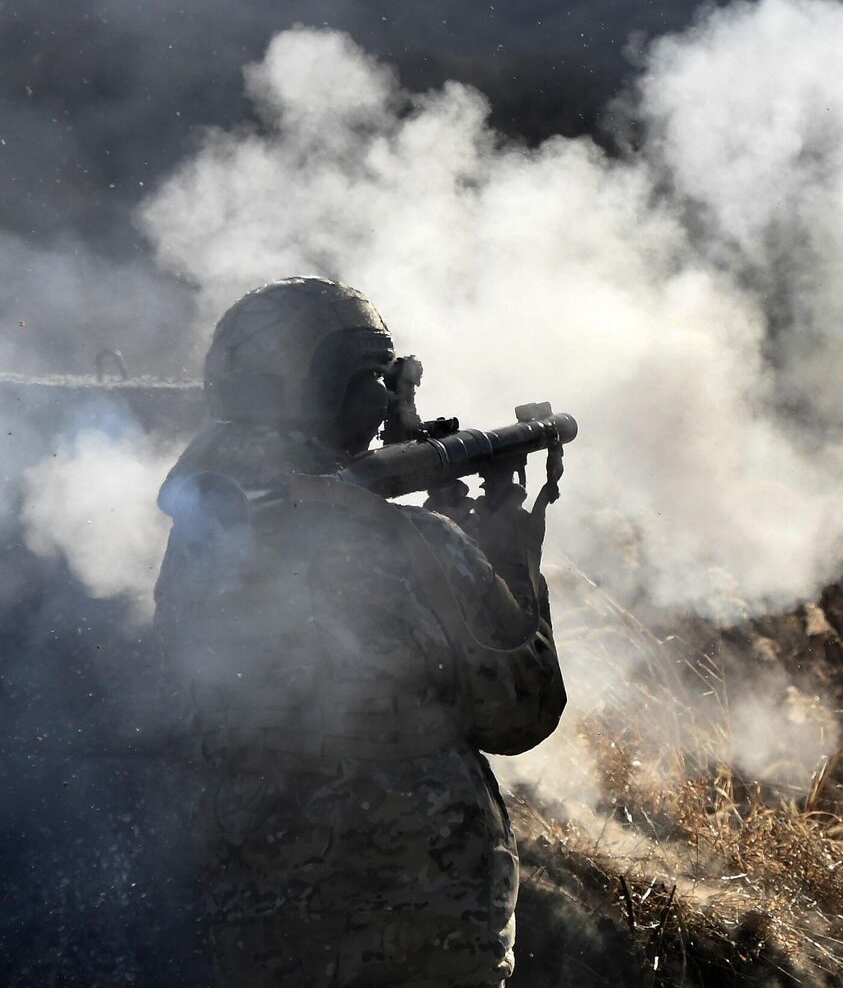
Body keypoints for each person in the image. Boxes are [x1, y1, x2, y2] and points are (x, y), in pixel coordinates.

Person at [153, 276, 566, 986]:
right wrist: (507, 552)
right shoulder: (409, 543)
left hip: (255, 916)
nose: (381, 398)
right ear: (324, 389)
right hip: (417, 922)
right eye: (371, 376)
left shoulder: (204, 533)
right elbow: (520, 712)